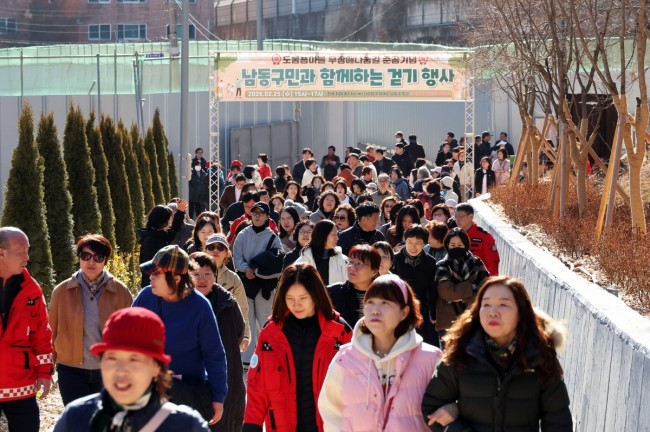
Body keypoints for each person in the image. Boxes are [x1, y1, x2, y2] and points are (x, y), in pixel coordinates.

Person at [422, 276, 573, 432]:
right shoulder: (461, 351)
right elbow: (432, 407)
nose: (493, 312)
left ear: (521, 312)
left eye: (503, 304)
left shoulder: (539, 356)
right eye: (486, 304)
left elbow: (559, 423)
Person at [53, 307, 209, 432]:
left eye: (134, 359)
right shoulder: (75, 418)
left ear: (156, 368)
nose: (120, 370)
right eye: (112, 358)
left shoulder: (186, 426)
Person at [319, 274, 442, 431]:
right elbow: (331, 413)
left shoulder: (430, 358)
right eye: (370, 302)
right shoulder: (346, 359)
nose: (375, 310)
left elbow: (445, 411)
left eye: (385, 303)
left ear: (404, 312)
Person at [243, 264, 353, 432]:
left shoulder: (339, 331)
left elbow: (356, 386)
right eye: (290, 298)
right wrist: (252, 424)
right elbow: (257, 385)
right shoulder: (271, 333)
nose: (296, 305)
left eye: (303, 298)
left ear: (315, 295)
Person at [133, 245, 228, 427]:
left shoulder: (200, 306)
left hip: (186, 396)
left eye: (156, 273)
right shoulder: (145, 297)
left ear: (176, 279)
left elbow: (214, 355)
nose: (150, 277)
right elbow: (124, 340)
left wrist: (218, 397)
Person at [49, 234, 133, 406]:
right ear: (79, 258)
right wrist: (47, 369)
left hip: (109, 371)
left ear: (106, 261)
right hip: (70, 370)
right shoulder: (61, 291)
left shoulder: (121, 292)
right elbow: (51, 331)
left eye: (98, 257)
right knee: (78, 419)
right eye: (86, 256)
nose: (91, 262)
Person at [0, 227, 54, 432]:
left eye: (27, 250)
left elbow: (43, 334)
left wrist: (45, 373)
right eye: (21, 251)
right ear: (1, 252)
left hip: (21, 387)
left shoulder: (32, 290)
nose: (27, 257)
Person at [189, 253, 246, 432]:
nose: (202, 279)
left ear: (215, 276)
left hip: (226, 376)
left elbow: (239, 331)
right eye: (196, 274)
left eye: (207, 274)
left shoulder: (227, 303)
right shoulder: (181, 304)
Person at [232, 202, 284, 368]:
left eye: (261, 213)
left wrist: (259, 270)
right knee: (246, 321)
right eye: (255, 213)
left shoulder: (273, 237)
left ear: (267, 216)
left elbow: (279, 261)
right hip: (246, 284)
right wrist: (245, 268)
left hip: (265, 286)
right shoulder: (242, 235)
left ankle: (268, 356)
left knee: (265, 321)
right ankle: (246, 359)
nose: (257, 216)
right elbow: (236, 257)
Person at [433, 228, 489, 345]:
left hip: (472, 319)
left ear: (466, 245)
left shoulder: (476, 263)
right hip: (448, 322)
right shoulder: (442, 266)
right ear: (447, 245)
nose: (456, 247)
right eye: (453, 245)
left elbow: (485, 289)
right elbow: (447, 293)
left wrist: (461, 296)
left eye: (460, 245)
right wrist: (472, 288)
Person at [391, 225, 438, 346]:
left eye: (418, 243)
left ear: (424, 244)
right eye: (410, 242)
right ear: (404, 240)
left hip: (421, 308)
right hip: (399, 307)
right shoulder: (396, 259)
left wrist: (433, 314)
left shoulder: (430, 262)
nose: (413, 246)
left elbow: (432, 289)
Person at [204, 234, 251, 351]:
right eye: (211, 247)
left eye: (220, 248)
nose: (215, 250)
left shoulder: (234, 278)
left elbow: (242, 308)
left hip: (226, 330)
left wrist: (245, 335)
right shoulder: (195, 274)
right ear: (205, 250)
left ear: (226, 253)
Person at [327, 245, 381, 328]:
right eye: (350, 262)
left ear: (374, 271)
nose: (352, 267)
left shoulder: (384, 296)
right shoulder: (332, 293)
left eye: (359, 264)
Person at [138, 200, 188, 287]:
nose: (170, 222)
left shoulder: (161, 235)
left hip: (163, 283)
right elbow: (147, 269)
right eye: (169, 219)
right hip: (152, 285)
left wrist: (180, 211)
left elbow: (174, 229)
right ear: (163, 221)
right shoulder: (149, 241)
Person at [295, 219, 347, 286]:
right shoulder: (305, 259)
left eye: (337, 234)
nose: (337, 238)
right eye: (333, 234)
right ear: (323, 235)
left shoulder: (340, 258)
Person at [454, 203, 500, 276]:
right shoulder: (454, 235)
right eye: (456, 217)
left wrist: (489, 281)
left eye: (460, 217)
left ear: (471, 216)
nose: (457, 220)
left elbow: (493, 263)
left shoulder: (484, 236)